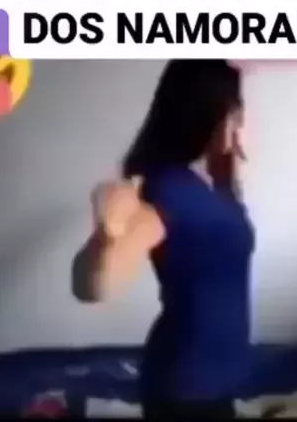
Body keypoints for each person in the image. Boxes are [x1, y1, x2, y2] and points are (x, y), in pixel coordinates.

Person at [72, 59, 255, 419]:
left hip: (217, 382)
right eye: (235, 110)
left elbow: (220, 250)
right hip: (186, 391)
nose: (241, 120)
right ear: (206, 112)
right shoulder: (166, 190)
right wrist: (107, 236)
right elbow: (93, 288)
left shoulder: (209, 183)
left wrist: (228, 173)